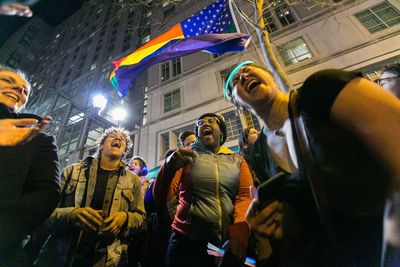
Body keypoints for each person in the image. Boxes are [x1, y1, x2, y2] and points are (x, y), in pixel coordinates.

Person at [224, 60, 400, 266]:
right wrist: (272, 225)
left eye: (248, 70)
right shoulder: (257, 153)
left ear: (269, 75)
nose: (244, 77)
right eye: (236, 80)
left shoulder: (323, 89)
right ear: (237, 103)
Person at [153, 113, 253, 267]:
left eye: (211, 121)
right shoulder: (185, 157)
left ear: (221, 131)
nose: (205, 123)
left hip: (225, 243)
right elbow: (160, 196)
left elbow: (245, 196)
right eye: (200, 123)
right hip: (186, 243)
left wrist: (239, 234)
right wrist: (168, 165)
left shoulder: (237, 161)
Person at [37, 127, 145, 267]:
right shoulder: (72, 171)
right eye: (112, 136)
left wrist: (125, 218)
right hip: (61, 256)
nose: (118, 138)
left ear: (124, 151)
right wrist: (72, 214)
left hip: (108, 259)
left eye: (122, 139)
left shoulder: (134, 181)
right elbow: (43, 213)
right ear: (101, 146)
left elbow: (141, 218)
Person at [0, 66, 60, 266]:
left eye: (25, 90)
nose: (19, 90)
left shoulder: (40, 140)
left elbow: (47, 193)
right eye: (8, 81)